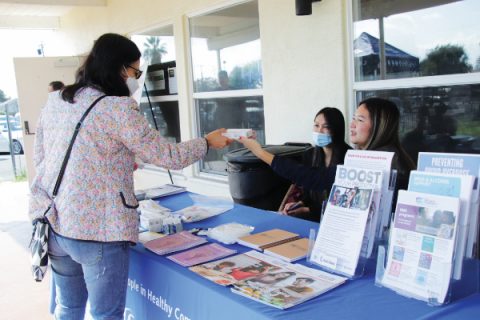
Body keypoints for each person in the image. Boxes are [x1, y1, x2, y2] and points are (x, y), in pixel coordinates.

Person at [29, 33, 231, 320]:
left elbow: (44, 158)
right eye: (136, 71)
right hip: (98, 230)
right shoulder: (118, 108)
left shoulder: (57, 100)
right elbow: (167, 156)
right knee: (106, 314)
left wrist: (114, 166)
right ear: (121, 69)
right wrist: (207, 143)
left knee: (69, 308)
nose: (136, 78)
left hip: (55, 222)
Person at [239, 107, 351, 221]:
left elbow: (341, 203)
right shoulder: (310, 154)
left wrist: (308, 210)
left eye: (326, 127)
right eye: (316, 125)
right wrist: (299, 204)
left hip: (335, 221)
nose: (319, 131)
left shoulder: (349, 159)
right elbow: (308, 190)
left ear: (337, 129)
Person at [350, 97, 416, 199]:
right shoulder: (369, 156)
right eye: (353, 118)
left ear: (379, 126)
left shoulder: (387, 162)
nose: (352, 125)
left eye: (360, 120)